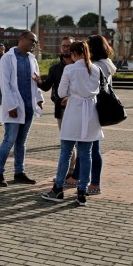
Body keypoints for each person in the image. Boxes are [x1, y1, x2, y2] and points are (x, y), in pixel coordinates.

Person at [41, 41, 102, 206]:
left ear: (74, 54)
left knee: (66, 153)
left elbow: (60, 92)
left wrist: (70, 96)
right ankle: (82, 191)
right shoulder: (96, 69)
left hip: (74, 111)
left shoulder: (70, 68)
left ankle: (58, 189)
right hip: (90, 113)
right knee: (86, 154)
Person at [0, 31, 44, 186]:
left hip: (28, 106)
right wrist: (11, 105)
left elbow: (36, 80)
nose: (33, 44)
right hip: (14, 107)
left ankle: (19, 172)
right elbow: (5, 84)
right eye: (31, 40)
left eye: (35, 42)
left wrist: (39, 98)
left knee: (21, 142)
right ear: (21, 39)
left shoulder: (31, 59)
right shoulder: (8, 58)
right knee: (9, 141)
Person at [67, 35, 117, 195]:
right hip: (94, 108)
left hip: (91, 109)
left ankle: (94, 184)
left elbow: (89, 88)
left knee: (92, 148)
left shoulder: (97, 66)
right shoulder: (106, 64)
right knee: (86, 145)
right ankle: (77, 177)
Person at [33, 37, 76, 178]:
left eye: (69, 45)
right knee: (66, 140)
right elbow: (46, 86)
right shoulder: (56, 68)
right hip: (62, 109)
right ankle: (70, 171)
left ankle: (75, 171)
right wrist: (39, 81)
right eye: (64, 46)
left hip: (79, 108)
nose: (66, 48)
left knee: (80, 142)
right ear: (60, 48)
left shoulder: (80, 67)